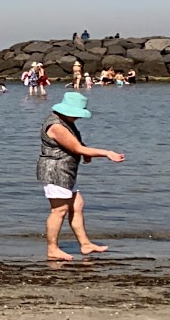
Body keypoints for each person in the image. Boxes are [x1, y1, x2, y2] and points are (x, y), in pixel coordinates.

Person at [37, 92, 125, 260]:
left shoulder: (66, 121)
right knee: (59, 210)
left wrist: (85, 152)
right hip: (55, 171)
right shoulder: (56, 126)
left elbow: (75, 144)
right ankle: (52, 249)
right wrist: (107, 153)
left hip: (67, 171)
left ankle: (85, 244)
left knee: (77, 205)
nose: (78, 117)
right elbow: (76, 148)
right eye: (76, 113)